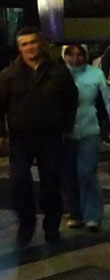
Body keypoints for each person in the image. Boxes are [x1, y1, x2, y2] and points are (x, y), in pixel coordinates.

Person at [0, 27, 78, 246]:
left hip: (50, 137)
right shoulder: (8, 76)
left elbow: (71, 99)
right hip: (21, 139)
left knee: (51, 183)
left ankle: (52, 227)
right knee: (20, 182)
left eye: (32, 42)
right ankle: (26, 225)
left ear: (40, 43)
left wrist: (66, 126)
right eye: (24, 44)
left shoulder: (58, 72)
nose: (29, 48)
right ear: (19, 48)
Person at [61, 44, 110, 232]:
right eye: (70, 54)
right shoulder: (60, 74)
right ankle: (75, 212)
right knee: (68, 175)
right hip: (66, 130)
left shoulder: (95, 74)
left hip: (90, 129)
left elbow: (106, 99)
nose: (75, 58)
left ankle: (93, 214)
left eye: (79, 54)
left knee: (86, 171)